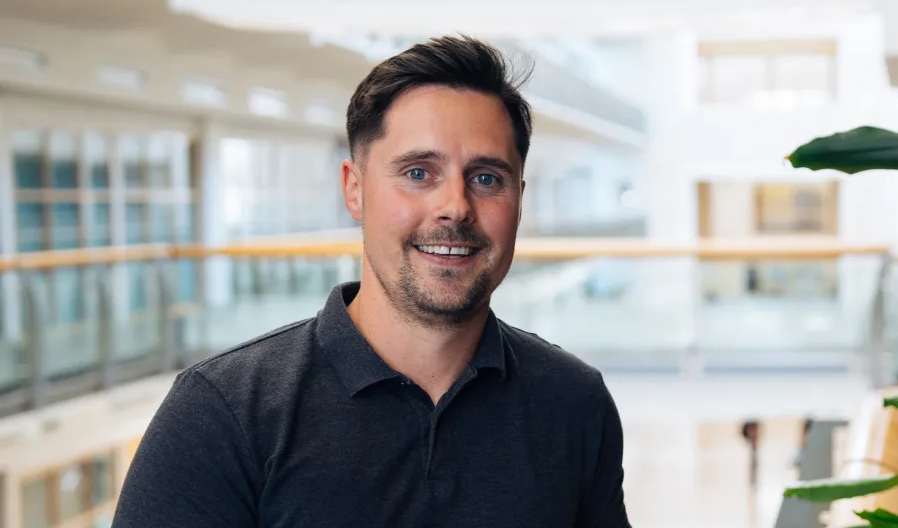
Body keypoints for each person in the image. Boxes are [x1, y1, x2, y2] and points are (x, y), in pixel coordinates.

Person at [112, 35, 631, 528]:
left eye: (486, 178)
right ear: (354, 191)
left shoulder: (574, 404)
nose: (454, 207)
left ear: (520, 199)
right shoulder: (220, 414)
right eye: (418, 173)